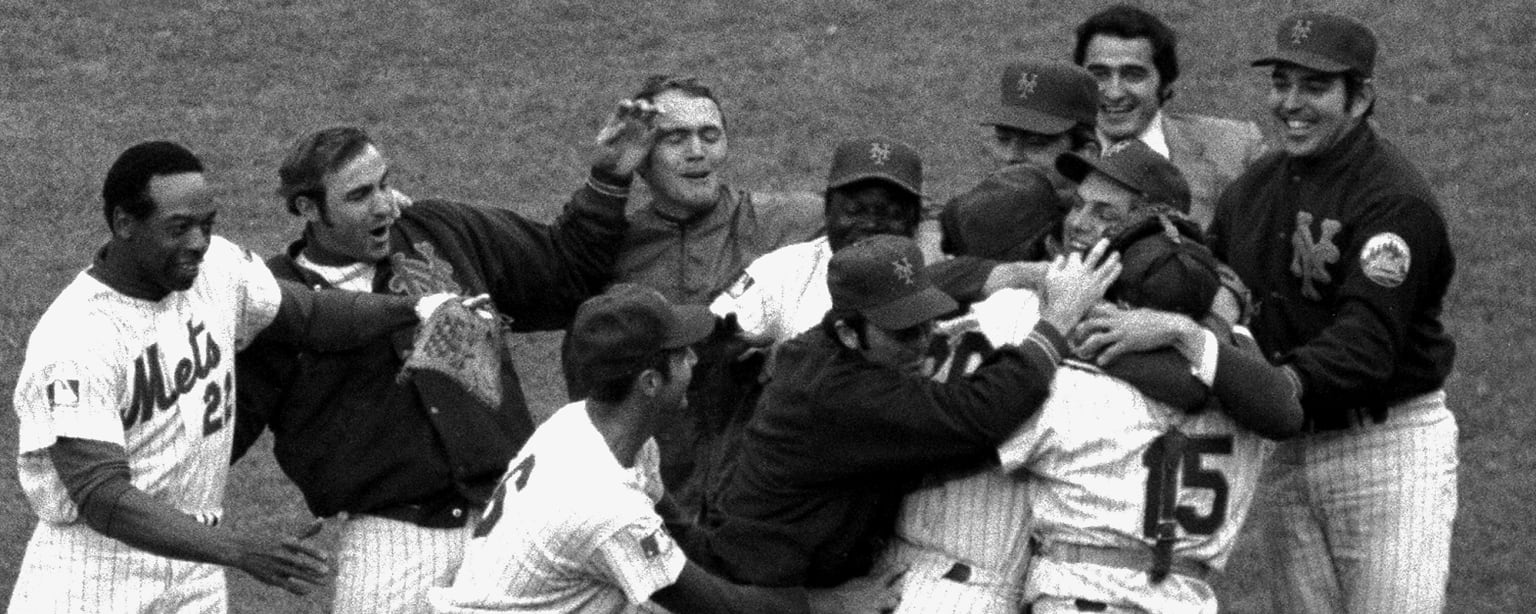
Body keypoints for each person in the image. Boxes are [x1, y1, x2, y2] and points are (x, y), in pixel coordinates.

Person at [233, 101, 661, 614]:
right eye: (360, 195)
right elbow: (221, 432)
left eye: (385, 184)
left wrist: (609, 177)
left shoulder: (441, 234)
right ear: (308, 209)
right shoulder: (274, 302)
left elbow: (565, 270)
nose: (386, 207)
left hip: (509, 519)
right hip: (391, 544)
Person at [10, 141, 448, 613]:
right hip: (95, 573)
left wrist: (418, 308)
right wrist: (240, 551)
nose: (198, 242)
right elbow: (103, 496)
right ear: (124, 224)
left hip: (195, 562)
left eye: (207, 224)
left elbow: (313, 314)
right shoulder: (74, 341)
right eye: (178, 228)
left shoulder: (215, 269)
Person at [882, 142, 1296, 614]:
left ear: (1149, 236)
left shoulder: (1048, 333)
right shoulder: (1229, 351)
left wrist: (1078, 320)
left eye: (1104, 214)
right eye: (1077, 205)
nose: (1078, 224)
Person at [688, 234, 1119, 594]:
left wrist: (1031, 273)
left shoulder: (823, 340)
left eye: (926, 320)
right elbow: (982, 413)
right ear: (848, 332)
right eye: (904, 331)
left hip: (789, 572)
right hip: (760, 595)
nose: (923, 339)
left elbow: (945, 278)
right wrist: (1058, 320)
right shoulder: (842, 394)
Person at [1207, 12, 1458, 613]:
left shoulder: (1391, 199)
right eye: (1281, 84)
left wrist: (1275, 384)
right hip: (1287, 453)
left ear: (1360, 98)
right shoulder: (1257, 186)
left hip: (1387, 453)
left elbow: (1368, 343)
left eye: (1313, 87)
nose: (1290, 103)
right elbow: (1213, 279)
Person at [430, 284, 876, 614]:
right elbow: (716, 609)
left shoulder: (586, 426)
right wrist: (830, 604)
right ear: (649, 383)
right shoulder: (602, 502)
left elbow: (686, 539)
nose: (696, 361)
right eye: (682, 355)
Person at [1003, 223, 1302, 614]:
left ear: (1123, 310)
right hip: (1185, 598)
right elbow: (1269, 391)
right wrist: (1193, 332)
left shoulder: (1068, 389)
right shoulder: (1244, 404)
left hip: (1086, 596)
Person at [612, 74, 824, 304]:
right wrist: (607, 178)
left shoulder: (791, 221)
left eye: (710, 136)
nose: (696, 151)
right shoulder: (614, 246)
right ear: (641, 155)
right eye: (675, 139)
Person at [1073, 4, 1265, 229]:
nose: (1114, 92)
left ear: (1164, 83)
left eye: (1133, 75)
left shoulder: (1236, 149)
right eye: (1099, 74)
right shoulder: (1053, 153)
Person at [932, 59, 1099, 298]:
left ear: (1085, 155)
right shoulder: (977, 209)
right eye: (1003, 139)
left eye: (1036, 144)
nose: (1012, 157)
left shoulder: (1105, 228)